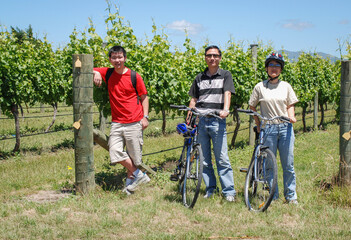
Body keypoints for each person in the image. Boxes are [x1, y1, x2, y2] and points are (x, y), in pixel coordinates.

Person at [93, 45, 150, 194]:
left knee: (134, 157)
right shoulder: (108, 73)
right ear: (110, 59)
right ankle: (140, 175)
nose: (117, 60)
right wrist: (95, 73)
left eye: (120, 57)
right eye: (114, 57)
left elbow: (144, 97)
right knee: (115, 152)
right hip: (117, 122)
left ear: (124, 58)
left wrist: (145, 117)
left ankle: (129, 187)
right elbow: (86, 68)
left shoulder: (134, 76)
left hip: (134, 121)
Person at [248, 52, 299, 204]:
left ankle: (291, 196)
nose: (274, 68)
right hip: (268, 129)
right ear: (266, 68)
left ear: (281, 69)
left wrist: (292, 116)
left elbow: (290, 105)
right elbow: (252, 106)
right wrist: (258, 125)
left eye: (277, 65)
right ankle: (273, 195)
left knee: (288, 164)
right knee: (269, 165)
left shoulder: (286, 86)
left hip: (285, 128)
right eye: (271, 65)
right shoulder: (260, 87)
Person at [187, 45, 236, 202]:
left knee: (222, 158)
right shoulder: (199, 77)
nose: (212, 58)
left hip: (217, 120)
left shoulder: (225, 75)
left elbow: (227, 93)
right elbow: (194, 99)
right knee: (205, 158)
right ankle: (211, 188)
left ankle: (229, 191)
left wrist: (225, 109)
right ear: (205, 57)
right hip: (201, 121)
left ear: (220, 58)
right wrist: (189, 117)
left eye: (215, 55)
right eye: (209, 55)